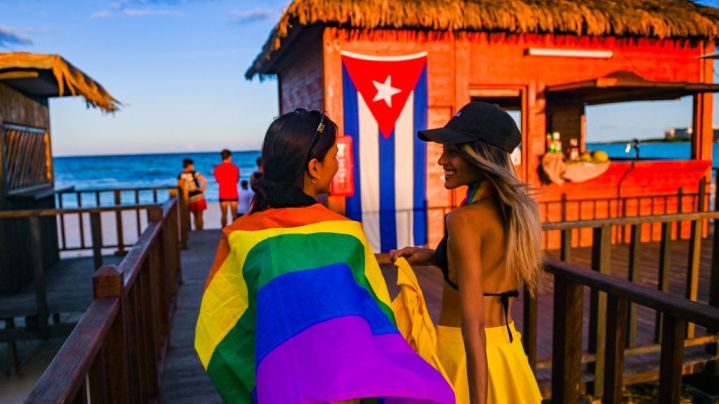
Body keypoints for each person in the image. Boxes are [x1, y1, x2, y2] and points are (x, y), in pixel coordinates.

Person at [195, 108, 454, 404]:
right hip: (341, 391)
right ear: (315, 167)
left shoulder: (241, 237)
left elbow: (218, 330)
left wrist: (256, 391)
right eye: (335, 156)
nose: (338, 163)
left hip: (280, 390)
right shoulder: (346, 236)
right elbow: (377, 317)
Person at [390, 102, 543, 404]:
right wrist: (436, 257)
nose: (441, 160)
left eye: (453, 151)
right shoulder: (516, 210)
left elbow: (472, 324)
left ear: (481, 156)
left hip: (466, 357)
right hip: (506, 350)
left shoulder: (463, 220)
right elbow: (488, 268)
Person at [177, 158, 207, 230]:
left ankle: (197, 230)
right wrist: (202, 188)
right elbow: (204, 180)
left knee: (195, 216)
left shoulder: (180, 175)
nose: (193, 166)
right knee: (200, 216)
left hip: (190, 197)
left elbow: (179, 187)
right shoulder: (194, 173)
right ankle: (200, 230)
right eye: (192, 165)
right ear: (189, 165)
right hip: (198, 196)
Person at [214, 149, 240, 227]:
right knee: (234, 215)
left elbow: (218, 180)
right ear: (229, 157)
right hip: (233, 193)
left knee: (224, 215)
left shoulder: (217, 168)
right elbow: (236, 180)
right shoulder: (235, 167)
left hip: (223, 193)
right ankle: (234, 233)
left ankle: (223, 232)